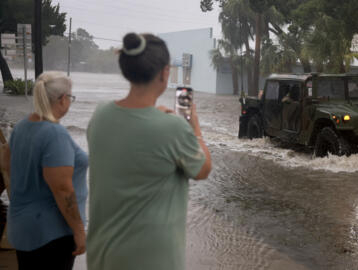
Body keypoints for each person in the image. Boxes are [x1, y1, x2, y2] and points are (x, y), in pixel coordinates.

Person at [86, 33, 212, 270]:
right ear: (165, 73)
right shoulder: (172, 128)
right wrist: (193, 127)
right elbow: (203, 169)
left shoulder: (100, 115)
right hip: (153, 261)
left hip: (103, 257)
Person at [7, 71, 88, 270]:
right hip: (51, 233)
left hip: (23, 227)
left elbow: (6, 164)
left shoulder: (22, 127)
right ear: (62, 99)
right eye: (70, 97)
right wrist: (78, 230)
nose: (70, 101)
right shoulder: (55, 133)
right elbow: (62, 188)